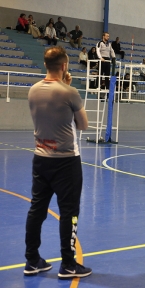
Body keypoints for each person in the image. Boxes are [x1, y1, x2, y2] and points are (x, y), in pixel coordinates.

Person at [24, 46, 92, 279]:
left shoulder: (32, 90)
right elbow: (83, 125)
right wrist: (67, 85)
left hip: (40, 159)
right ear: (64, 66)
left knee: (37, 209)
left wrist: (64, 83)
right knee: (69, 212)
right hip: (66, 162)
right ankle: (69, 264)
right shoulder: (70, 92)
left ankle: (32, 260)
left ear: (45, 65)